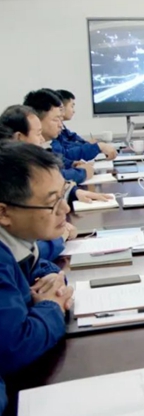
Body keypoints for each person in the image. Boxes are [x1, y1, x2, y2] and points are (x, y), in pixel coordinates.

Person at [0, 142, 74, 381]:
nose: (65, 208)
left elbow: (32, 263)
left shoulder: (17, 240)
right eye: (52, 202)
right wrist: (52, 305)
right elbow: (14, 348)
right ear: (4, 213)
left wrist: (50, 278)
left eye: (63, 194)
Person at [22, 91, 94, 183]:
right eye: (56, 119)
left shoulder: (44, 143)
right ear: (37, 120)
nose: (60, 125)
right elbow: (50, 178)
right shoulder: (20, 155)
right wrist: (83, 173)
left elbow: (55, 158)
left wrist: (71, 163)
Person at [56, 90, 117, 160]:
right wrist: (97, 147)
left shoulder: (63, 131)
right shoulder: (51, 138)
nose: (74, 111)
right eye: (72, 106)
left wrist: (88, 145)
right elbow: (67, 154)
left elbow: (72, 142)